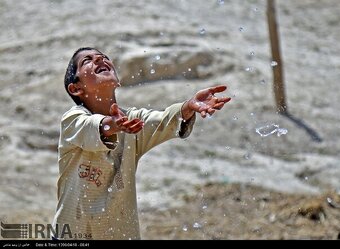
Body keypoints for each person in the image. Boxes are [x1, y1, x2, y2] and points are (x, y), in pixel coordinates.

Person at [52, 47, 231, 240]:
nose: (100, 60)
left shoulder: (133, 121)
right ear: (75, 88)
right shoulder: (72, 120)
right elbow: (91, 127)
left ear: (117, 81)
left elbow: (164, 121)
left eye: (104, 57)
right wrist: (114, 125)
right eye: (87, 60)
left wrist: (188, 107)